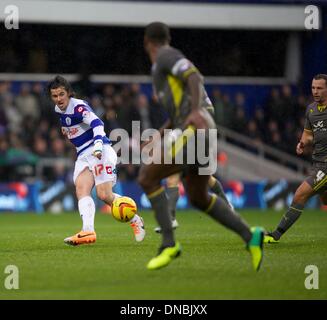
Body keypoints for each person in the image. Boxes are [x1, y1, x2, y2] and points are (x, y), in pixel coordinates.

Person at [138, 22, 264, 271]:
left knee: (146, 177)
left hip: (195, 128)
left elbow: (194, 76)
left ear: (146, 42)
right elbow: (177, 112)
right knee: (197, 196)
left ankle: (168, 244)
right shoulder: (163, 69)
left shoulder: (165, 55)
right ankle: (251, 236)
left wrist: (195, 111)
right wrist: (158, 135)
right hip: (195, 127)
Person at [47, 75, 145, 245]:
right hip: (83, 155)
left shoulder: (78, 107)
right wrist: (67, 128)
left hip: (99, 151)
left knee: (104, 195)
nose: (58, 99)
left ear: (69, 93)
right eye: (54, 96)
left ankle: (135, 219)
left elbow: (97, 123)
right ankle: (88, 231)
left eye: (61, 94)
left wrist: (98, 144)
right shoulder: (59, 110)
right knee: (81, 189)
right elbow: (74, 125)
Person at [265, 74, 327, 243]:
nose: (315, 91)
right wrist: (302, 143)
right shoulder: (311, 110)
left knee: (300, 195)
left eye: (320, 88)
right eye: (313, 87)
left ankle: (275, 235)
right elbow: (308, 134)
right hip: (317, 162)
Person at [154, 174, 233, 233]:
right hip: (179, 153)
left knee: (206, 177)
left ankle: (226, 204)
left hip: (194, 153)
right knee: (172, 179)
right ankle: (171, 219)